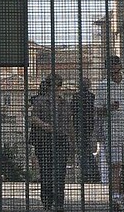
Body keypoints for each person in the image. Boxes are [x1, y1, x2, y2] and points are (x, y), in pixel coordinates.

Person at [94, 54, 124, 208]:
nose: (114, 74)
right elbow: (97, 110)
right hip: (112, 131)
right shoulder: (103, 86)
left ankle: (122, 195)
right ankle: (114, 197)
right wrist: (108, 108)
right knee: (115, 165)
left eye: (116, 70)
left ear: (120, 67)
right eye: (111, 72)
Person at [30, 74, 74, 211]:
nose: (57, 88)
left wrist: (72, 141)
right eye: (54, 86)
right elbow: (33, 117)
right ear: (49, 87)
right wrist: (45, 126)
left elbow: (69, 122)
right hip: (45, 140)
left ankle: (59, 202)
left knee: (60, 172)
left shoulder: (65, 103)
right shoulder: (40, 101)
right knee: (47, 171)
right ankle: (47, 200)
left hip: (61, 139)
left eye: (58, 85)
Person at [71, 77, 98, 183]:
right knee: (86, 149)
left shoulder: (76, 97)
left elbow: (72, 111)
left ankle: (87, 173)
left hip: (78, 125)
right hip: (89, 126)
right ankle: (91, 173)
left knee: (83, 150)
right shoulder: (92, 97)